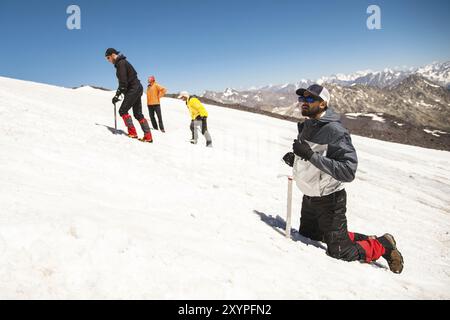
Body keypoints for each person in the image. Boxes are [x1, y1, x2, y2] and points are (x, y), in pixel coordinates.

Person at [282, 84, 404, 273]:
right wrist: (297, 160)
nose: (303, 103)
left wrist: (310, 157)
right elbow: (315, 155)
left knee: (339, 250)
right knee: (310, 236)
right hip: (310, 196)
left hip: (330, 199)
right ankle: (351, 237)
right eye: (302, 99)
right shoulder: (307, 125)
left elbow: (348, 171)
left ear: (323, 104)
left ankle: (383, 244)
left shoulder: (335, 131)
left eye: (309, 99)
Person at [105, 48, 153, 142]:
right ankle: (148, 136)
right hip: (137, 88)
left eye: (108, 58)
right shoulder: (122, 62)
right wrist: (120, 93)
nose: (108, 60)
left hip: (133, 89)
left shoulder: (120, 63)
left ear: (113, 55)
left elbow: (123, 82)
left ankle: (132, 133)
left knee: (122, 110)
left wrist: (117, 95)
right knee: (138, 114)